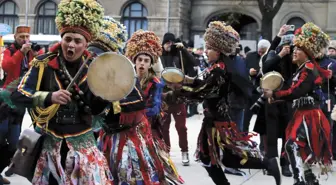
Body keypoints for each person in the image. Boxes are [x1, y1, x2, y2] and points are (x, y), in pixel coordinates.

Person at [10, 0, 113, 184]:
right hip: (50, 144)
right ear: (61, 39)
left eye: (77, 41)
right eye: (67, 39)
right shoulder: (43, 63)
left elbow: (97, 109)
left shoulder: (94, 68)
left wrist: (108, 95)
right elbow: (18, 95)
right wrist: (50, 97)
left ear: (86, 44)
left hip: (83, 146)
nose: (71, 45)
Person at [167, 21, 281, 185]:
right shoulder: (215, 67)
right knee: (212, 158)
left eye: (210, 48)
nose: (206, 51)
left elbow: (201, 92)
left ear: (219, 51)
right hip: (213, 121)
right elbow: (199, 81)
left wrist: (176, 92)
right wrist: (184, 80)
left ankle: (267, 164)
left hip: (219, 124)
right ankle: (264, 165)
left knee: (223, 159)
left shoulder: (219, 70)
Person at [264, 22, 333, 185]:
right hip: (302, 114)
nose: (295, 51)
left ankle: (300, 180)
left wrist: (274, 93)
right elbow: (292, 89)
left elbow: (296, 91)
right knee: (298, 148)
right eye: (295, 48)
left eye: (299, 49)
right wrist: (275, 96)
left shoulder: (308, 69)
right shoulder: (302, 68)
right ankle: (309, 179)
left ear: (307, 53)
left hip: (310, 116)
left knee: (292, 145)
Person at [125, 29, 184, 184]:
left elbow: (154, 109)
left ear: (151, 64)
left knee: (148, 172)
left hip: (147, 132)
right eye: (140, 60)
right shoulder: (126, 80)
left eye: (146, 60)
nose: (142, 63)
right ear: (134, 61)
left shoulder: (155, 84)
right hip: (125, 131)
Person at [0, 25, 35, 182]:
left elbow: (34, 71)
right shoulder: (11, 50)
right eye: (21, 37)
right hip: (6, 98)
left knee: (15, 138)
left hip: (20, 99)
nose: (24, 40)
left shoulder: (30, 53)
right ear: (15, 37)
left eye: (26, 37)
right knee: (1, 134)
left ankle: (6, 167)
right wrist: (21, 53)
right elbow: (7, 66)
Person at [160, 32, 196, 165]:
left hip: (178, 97)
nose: (169, 45)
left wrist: (183, 50)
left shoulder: (179, 55)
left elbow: (194, 63)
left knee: (181, 127)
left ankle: (185, 152)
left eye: (171, 42)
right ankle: (166, 152)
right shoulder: (159, 56)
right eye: (167, 42)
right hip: (164, 97)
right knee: (164, 127)